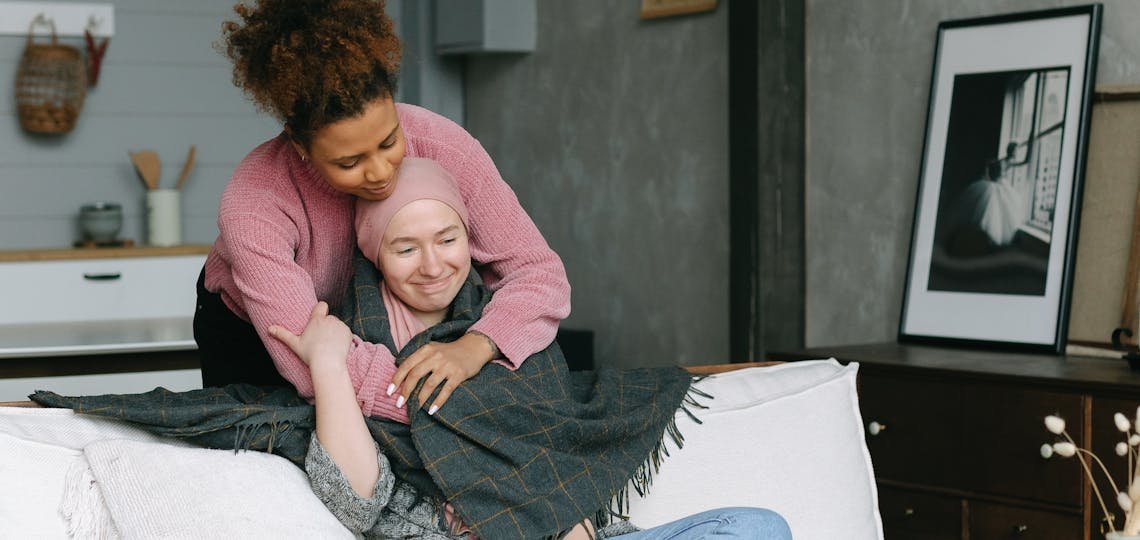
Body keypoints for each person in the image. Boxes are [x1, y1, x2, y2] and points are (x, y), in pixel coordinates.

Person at [267, 158, 792, 539]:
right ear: (376, 255)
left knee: (758, 528)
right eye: (406, 248)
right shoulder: (359, 355)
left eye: (447, 240)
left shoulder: (511, 330)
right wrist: (329, 363)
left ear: (469, 240)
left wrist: (569, 520)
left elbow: (560, 450)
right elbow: (355, 503)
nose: (432, 265)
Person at [194, 0, 570, 423]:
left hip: (387, 324)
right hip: (254, 337)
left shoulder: (445, 145)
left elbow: (538, 274)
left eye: (390, 141)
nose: (380, 172)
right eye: (349, 163)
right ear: (299, 145)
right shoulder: (254, 202)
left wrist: (477, 346)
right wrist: (451, 410)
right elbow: (310, 367)